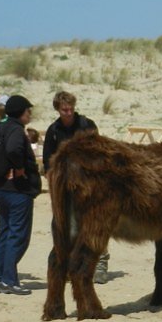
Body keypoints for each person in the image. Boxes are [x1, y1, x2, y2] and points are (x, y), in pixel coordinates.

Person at [42, 91, 108, 282]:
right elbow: (48, 161)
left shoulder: (86, 125)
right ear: (58, 109)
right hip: (64, 186)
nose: (68, 112)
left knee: (95, 224)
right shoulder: (53, 131)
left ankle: (101, 265)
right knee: (65, 226)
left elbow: (100, 152)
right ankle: (71, 264)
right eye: (64, 110)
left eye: (71, 109)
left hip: (89, 185)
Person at [0, 95, 42, 295]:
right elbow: (13, 150)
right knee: (18, 236)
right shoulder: (16, 131)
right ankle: (9, 280)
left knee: (5, 232)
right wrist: (19, 168)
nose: (30, 114)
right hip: (18, 191)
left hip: (1, 188)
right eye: (28, 111)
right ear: (21, 112)